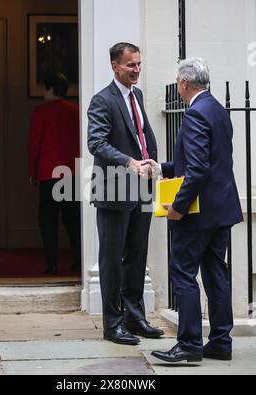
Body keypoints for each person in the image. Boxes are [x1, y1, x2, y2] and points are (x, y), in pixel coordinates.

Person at [150, 58, 243, 363]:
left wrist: (177, 207)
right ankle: (219, 342)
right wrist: (161, 168)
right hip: (222, 210)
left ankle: (189, 345)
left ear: (185, 84)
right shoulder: (217, 109)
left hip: (198, 213)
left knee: (183, 274)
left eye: (178, 81)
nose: (177, 86)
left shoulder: (194, 115)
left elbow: (199, 169)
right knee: (216, 275)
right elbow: (206, 162)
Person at [87, 42, 164, 345]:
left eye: (139, 64)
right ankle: (113, 323)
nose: (137, 70)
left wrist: (151, 162)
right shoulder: (101, 100)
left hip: (142, 187)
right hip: (114, 188)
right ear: (114, 66)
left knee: (136, 254)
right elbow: (96, 143)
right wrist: (129, 162)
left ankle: (134, 317)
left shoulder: (138, 95)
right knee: (111, 258)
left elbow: (141, 136)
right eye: (131, 65)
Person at [28, 73, 81, 274]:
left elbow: (34, 145)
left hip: (49, 173)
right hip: (72, 172)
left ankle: (52, 263)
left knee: (48, 220)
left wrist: (32, 171)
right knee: (73, 219)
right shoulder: (75, 111)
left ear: (50, 89)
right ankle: (78, 259)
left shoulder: (41, 112)